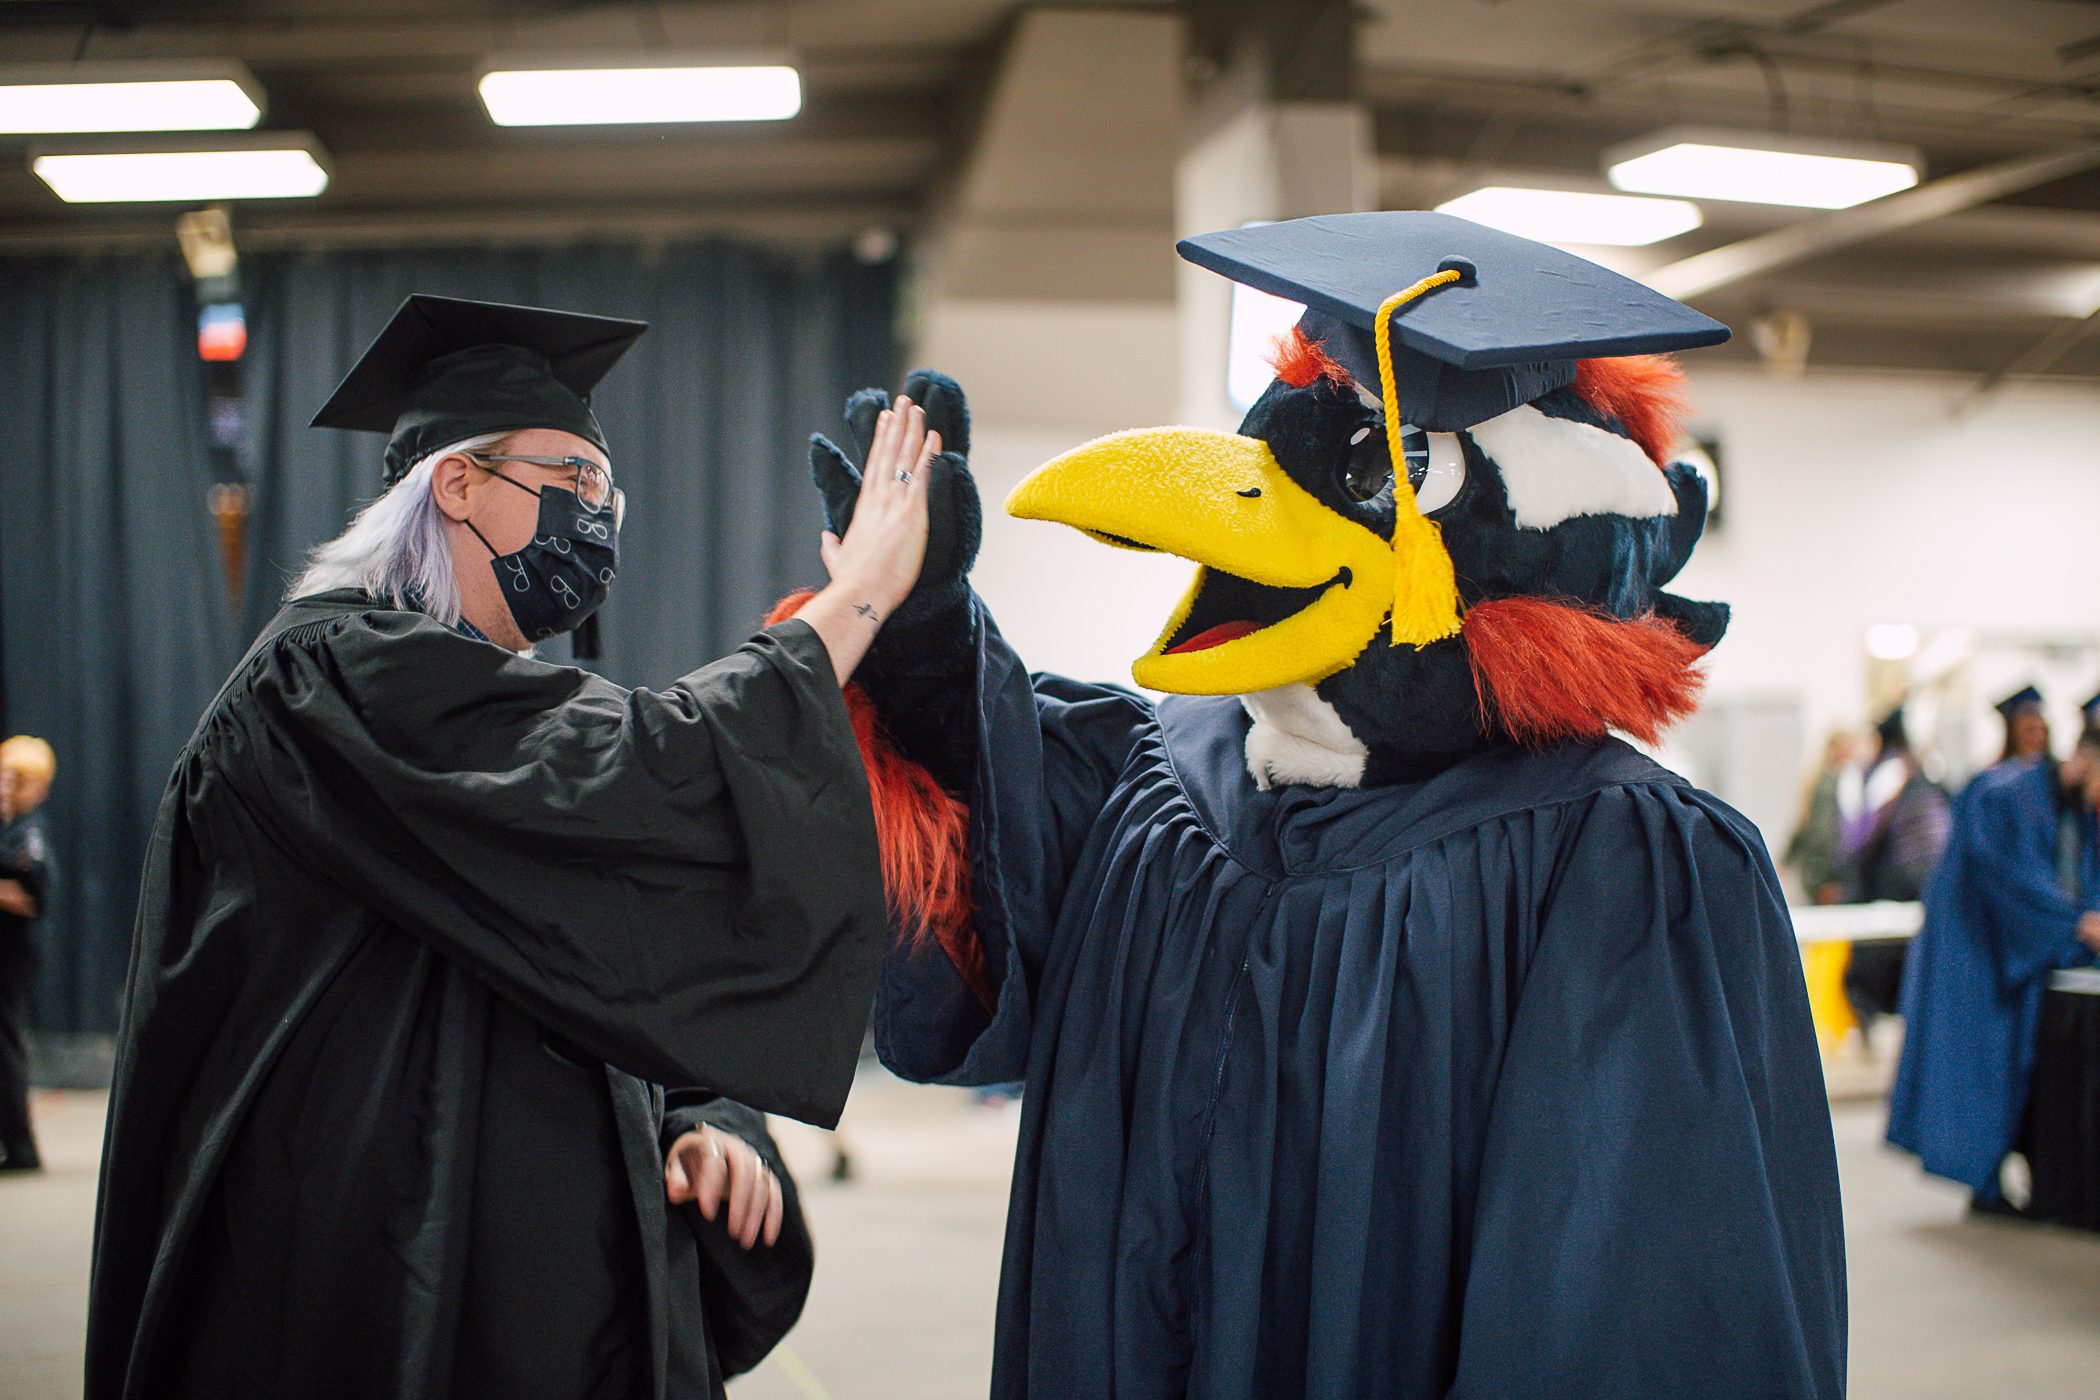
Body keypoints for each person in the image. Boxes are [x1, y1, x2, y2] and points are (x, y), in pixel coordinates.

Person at [809, 214, 1842, 1397]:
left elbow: (1642, 1302)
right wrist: (925, 648)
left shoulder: (1616, 859)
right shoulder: (1173, 776)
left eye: (1367, 469)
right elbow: (995, 904)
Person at [84, 295, 939, 1400]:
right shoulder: (331, 681)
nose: (598, 519)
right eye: (571, 483)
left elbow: (599, 932)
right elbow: (640, 775)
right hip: (370, 1253)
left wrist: (705, 1114)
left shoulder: (475, 700)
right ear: (456, 482)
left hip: (537, 1264)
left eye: (608, 494)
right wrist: (858, 596)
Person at [1886, 731, 2100, 1208]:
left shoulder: (2070, 804)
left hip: (2020, 952)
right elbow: (2008, 878)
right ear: (2086, 758)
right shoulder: (2004, 794)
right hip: (1976, 953)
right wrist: (2076, 924)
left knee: (2020, 1066)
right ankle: (1984, 1184)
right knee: (1980, 1070)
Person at [1839, 705, 1951, 1037]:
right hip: (1903, 887)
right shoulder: (1899, 775)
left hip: (1897, 886)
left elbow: (1857, 842)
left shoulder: (1886, 775)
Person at [0, 734, 55, 1174]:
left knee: (6, 1046)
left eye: (17, 779)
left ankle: (22, 1148)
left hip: (13, 956)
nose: (7, 786)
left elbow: (32, 898)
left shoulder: (29, 832)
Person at [1786, 729, 1865, 905]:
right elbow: (1823, 832)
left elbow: (1802, 826)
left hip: (1816, 873)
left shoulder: (1821, 780)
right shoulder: (1831, 784)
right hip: (1825, 877)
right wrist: (1828, 878)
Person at [1993, 684, 2051, 767]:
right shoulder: (1993, 776)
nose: (2039, 737)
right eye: (2030, 730)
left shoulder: (2057, 774)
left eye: (2043, 730)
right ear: (2012, 733)